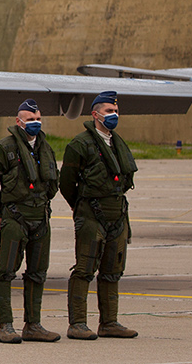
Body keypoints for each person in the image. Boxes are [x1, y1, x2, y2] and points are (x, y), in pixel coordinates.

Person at [59, 90, 139, 340]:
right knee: (84, 268)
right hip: (91, 214)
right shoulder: (80, 145)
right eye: (108, 112)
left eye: (115, 111)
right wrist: (82, 207)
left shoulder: (117, 143)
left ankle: (109, 322)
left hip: (117, 214)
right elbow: (66, 184)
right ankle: (78, 323)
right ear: (95, 115)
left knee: (112, 270)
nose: (114, 115)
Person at [0, 99, 61, 344]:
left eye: (38, 118)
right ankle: (5, 325)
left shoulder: (46, 148)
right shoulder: (3, 149)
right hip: (15, 218)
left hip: (40, 218)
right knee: (6, 272)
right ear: (18, 121)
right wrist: (1, 213)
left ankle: (33, 325)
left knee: (38, 273)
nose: (35, 123)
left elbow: (53, 181)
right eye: (30, 119)